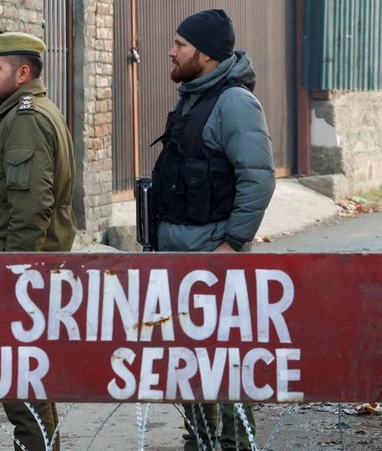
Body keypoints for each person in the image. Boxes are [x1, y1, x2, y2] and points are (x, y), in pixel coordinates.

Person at [150, 9, 276, 451]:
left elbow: (258, 177)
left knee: (224, 363)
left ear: (204, 54)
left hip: (212, 256)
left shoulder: (235, 102)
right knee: (188, 363)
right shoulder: (194, 96)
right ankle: (200, 442)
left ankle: (235, 445)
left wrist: (232, 244)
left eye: (180, 45)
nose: (171, 51)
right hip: (180, 255)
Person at [0, 32, 76, 451]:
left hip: (13, 275)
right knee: (23, 376)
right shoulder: (27, 113)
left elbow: (30, 211)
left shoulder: (26, 119)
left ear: (22, 73)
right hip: (15, 271)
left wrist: (15, 278)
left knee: (19, 378)